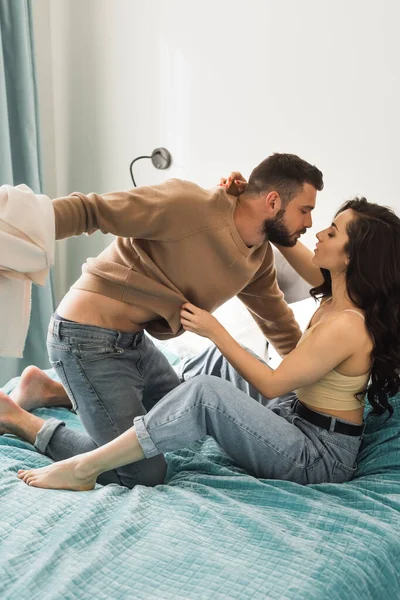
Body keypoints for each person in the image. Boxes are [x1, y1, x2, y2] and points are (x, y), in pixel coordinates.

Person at [11, 197, 400, 490]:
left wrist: (215, 329)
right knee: (227, 360)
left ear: (352, 257)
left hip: (316, 456)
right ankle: (67, 394)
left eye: (332, 231)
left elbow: (272, 383)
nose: (317, 232)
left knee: (205, 394)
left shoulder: (348, 325)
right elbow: (283, 237)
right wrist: (244, 204)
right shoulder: (336, 294)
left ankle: (81, 465)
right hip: (296, 415)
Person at [0, 154, 324, 488]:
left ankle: (49, 390)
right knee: (140, 472)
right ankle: (19, 419)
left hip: (134, 345)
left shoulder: (258, 257)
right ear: (273, 201)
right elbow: (92, 210)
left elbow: (279, 325)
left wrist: (320, 381)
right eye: (306, 210)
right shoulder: (187, 205)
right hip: (85, 339)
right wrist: (22, 226)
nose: (310, 223)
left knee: (186, 425)